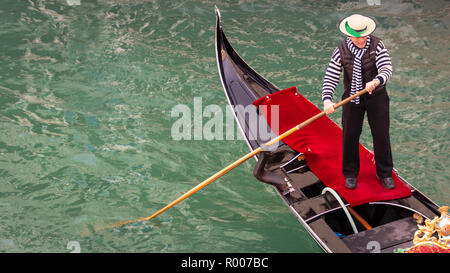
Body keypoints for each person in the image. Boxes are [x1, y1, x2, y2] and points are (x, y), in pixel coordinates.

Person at [321, 14, 395, 190]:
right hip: (352, 98)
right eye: (358, 36)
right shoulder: (340, 50)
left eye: (364, 35)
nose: (362, 39)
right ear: (349, 35)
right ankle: (350, 174)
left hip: (377, 97)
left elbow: (386, 68)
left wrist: (376, 80)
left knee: (381, 135)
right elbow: (331, 76)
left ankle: (385, 173)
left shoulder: (377, 45)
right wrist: (327, 100)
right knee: (349, 135)